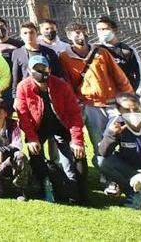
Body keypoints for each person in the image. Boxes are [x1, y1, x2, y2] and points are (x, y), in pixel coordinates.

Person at [60, 21, 133, 194]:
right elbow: (67, 82)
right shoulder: (65, 57)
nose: (80, 35)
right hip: (90, 105)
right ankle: (108, 179)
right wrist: (74, 101)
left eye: (83, 31)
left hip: (112, 103)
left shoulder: (101, 52)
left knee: (122, 139)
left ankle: (126, 176)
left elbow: (119, 76)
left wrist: (129, 98)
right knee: (100, 142)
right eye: (76, 32)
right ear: (69, 36)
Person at [15, 55, 87, 203]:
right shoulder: (23, 86)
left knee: (71, 159)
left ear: (50, 69)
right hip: (38, 126)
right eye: (37, 69)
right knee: (35, 154)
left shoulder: (61, 85)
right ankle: (43, 185)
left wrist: (77, 140)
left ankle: (75, 191)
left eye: (44, 68)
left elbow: (74, 113)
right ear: (29, 71)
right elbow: (23, 115)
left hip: (61, 126)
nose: (41, 72)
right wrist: (32, 138)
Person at [94, 16, 141, 97]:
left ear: (114, 30)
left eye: (104, 29)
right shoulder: (94, 50)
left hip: (126, 97)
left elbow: (139, 74)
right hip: (104, 98)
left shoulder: (127, 50)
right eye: (99, 30)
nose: (101, 32)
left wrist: (136, 95)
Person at [10, 22, 64, 95]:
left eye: (31, 32)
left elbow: (58, 74)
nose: (29, 35)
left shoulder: (49, 52)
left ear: (37, 34)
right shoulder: (17, 53)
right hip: (27, 92)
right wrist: (15, 95)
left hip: (49, 91)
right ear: (21, 36)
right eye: (25, 33)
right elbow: (16, 77)